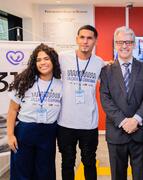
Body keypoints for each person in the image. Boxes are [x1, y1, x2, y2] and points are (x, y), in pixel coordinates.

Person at [99, 26, 143, 180]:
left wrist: (136, 119)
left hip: (140, 132)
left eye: (128, 42)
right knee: (118, 176)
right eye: (120, 42)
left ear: (134, 44)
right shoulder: (106, 71)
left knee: (141, 175)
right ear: (115, 44)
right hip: (116, 133)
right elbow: (105, 98)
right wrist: (123, 121)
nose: (124, 46)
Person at [7, 43, 62, 180]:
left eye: (46, 58)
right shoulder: (24, 82)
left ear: (53, 61)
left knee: (45, 172)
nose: (42, 62)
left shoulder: (61, 85)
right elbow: (13, 110)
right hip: (25, 132)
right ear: (34, 63)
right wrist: (10, 135)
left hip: (48, 134)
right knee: (22, 172)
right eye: (38, 60)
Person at [57, 25, 104, 180]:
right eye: (82, 37)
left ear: (95, 41)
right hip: (65, 123)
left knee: (89, 162)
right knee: (67, 162)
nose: (85, 41)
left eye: (89, 38)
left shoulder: (99, 63)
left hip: (88, 123)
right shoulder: (63, 58)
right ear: (77, 39)